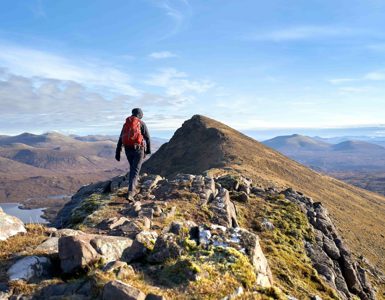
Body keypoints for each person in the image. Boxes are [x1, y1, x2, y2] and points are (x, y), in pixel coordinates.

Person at [115, 108, 151, 201]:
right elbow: (147, 138)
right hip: (138, 149)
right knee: (135, 170)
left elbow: (120, 138)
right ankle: (131, 192)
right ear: (139, 114)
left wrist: (118, 152)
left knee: (133, 168)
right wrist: (148, 150)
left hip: (128, 150)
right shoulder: (141, 123)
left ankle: (133, 185)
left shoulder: (126, 124)